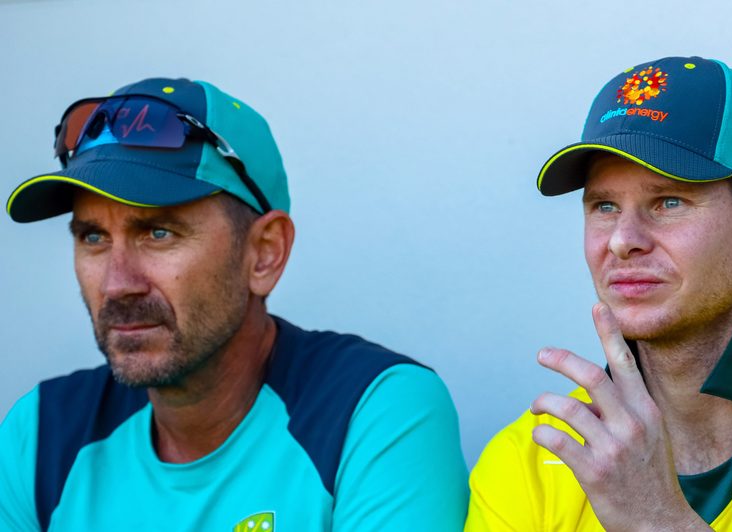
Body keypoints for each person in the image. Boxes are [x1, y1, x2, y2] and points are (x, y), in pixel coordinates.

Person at [0, 77, 468, 531]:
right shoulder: (40, 435)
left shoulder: (369, 411)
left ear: (264, 253)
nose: (118, 284)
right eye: (93, 237)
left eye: (159, 233)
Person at [466, 56, 732, 531]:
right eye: (604, 206)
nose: (623, 241)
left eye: (668, 201)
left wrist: (657, 520)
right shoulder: (533, 460)